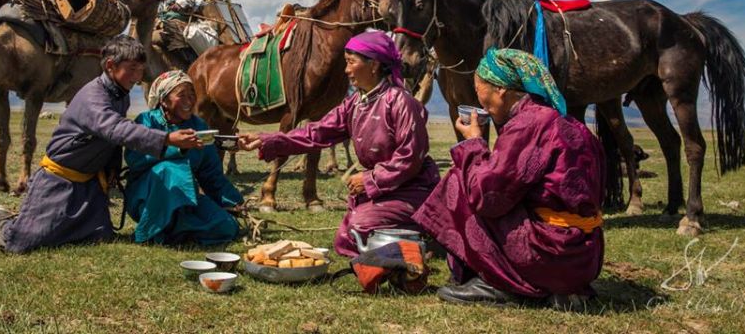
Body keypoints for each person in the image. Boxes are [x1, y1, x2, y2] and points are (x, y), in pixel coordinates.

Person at [413, 47, 605, 306]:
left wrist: (473, 144)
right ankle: (559, 288)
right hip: (586, 256)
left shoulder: (527, 125)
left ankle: (497, 281)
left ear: (501, 89)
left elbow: (487, 198)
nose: (482, 105)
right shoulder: (568, 123)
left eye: (482, 94)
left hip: (551, 256)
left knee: (459, 181)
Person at [0, 35, 200, 253]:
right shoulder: (94, 97)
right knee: (21, 242)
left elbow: (111, 139)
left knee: (98, 235)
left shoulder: (121, 94)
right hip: (58, 180)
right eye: (132, 68)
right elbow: (114, 128)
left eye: (141, 69)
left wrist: (112, 166)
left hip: (88, 186)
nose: (138, 76)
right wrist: (166, 139)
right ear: (111, 66)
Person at [238, 30, 440, 257]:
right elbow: (315, 133)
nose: (346, 70)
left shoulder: (401, 101)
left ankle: (424, 233)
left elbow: (410, 158)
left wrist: (369, 179)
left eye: (351, 62)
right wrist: (268, 140)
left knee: (357, 229)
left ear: (373, 65)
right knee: (349, 233)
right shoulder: (356, 102)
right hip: (383, 190)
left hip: (411, 190)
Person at [124, 70, 244, 245]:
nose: (189, 100)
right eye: (181, 95)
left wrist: (234, 202)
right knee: (170, 170)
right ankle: (151, 232)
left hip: (186, 197)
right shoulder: (147, 121)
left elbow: (211, 174)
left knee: (229, 226)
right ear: (163, 100)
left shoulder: (199, 126)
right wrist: (176, 148)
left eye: (192, 94)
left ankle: (174, 233)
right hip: (148, 197)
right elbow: (135, 158)